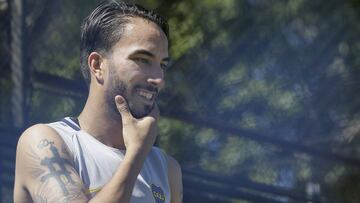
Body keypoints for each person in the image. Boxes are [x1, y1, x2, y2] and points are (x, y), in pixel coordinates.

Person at [13, 1, 183, 202]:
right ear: (98, 65)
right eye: (143, 60)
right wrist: (136, 153)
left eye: (162, 64)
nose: (158, 78)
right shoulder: (45, 142)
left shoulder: (167, 169)